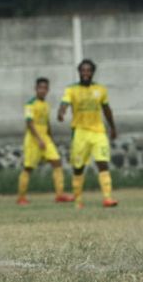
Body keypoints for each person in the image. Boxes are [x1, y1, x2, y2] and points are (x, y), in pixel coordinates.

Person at [57, 59, 118, 209]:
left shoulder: (100, 89)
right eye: (83, 70)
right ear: (79, 72)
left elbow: (107, 109)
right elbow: (64, 103)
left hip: (98, 132)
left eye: (88, 70)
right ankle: (78, 201)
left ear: (92, 72)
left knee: (102, 163)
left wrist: (113, 127)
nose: (86, 73)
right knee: (78, 167)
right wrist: (61, 111)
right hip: (80, 132)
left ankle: (107, 197)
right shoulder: (71, 90)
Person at [17, 78, 73, 205]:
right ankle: (21, 197)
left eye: (45, 88)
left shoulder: (46, 105)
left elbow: (47, 123)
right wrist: (38, 138)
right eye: (40, 88)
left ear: (48, 90)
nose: (42, 90)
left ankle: (60, 195)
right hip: (33, 139)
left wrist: (50, 139)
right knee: (28, 168)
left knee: (57, 162)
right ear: (36, 89)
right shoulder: (30, 104)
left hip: (45, 139)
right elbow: (29, 123)